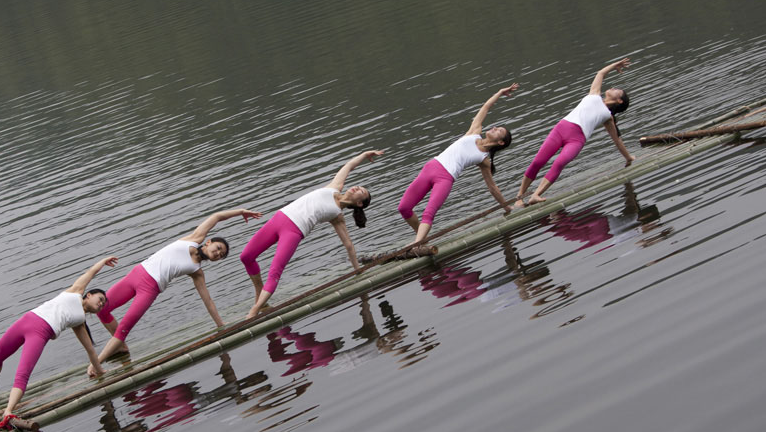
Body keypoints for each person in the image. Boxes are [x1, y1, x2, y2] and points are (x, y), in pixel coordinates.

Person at [91, 208, 261, 373]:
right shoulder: (194, 238)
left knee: (123, 329)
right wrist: (241, 212)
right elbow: (216, 216)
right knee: (102, 309)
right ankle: (120, 349)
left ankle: (96, 364)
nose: (217, 253)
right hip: (136, 274)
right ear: (208, 242)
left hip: (150, 289)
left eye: (221, 255)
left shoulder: (197, 272)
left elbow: (207, 301)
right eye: (217, 248)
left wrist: (221, 326)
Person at [240, 150, 383, 318]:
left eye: (362, 191)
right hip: (279, 218)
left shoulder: (337, 216)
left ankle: (254, 311)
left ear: (359, 203)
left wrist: (357, 271)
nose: (358, 187)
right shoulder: (334, 188)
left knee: (275, 271)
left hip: (294, 231)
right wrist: (365, 154)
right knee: (246, 256)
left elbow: (348, 245)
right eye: (360, 186)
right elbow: (349, 166)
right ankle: (260, 297)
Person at [0, 255, 118, 419]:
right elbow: (91, 272)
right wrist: (103, 261)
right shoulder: (75, 292)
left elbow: (90, 351)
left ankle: (8, 410)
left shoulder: (79, 322)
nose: (101, 304)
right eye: (100, 299)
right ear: (89, 294)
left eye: (103, 305)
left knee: (23, 374)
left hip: (39, 333)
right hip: (26, 320)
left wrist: (99, 370)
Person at [398, 83, 518, 244]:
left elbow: (492, 187)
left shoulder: (484, 160)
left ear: (501, 142)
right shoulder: (474, 132)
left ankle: (416, 243)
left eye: (499, 131)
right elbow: (486, 107)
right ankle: (421, 240)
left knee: (429, 213)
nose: (495, 127)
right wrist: (499, 92)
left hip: (445, 178)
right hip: (431, 167)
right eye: (497, 127)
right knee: (404, 207)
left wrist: (507, 208)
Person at [513, 58, 634, 208]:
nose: (614, 88)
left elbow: (617, 140)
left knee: (559, 163)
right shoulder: (594, 94)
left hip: (577, 139)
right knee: (538, 161)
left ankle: (536, 195)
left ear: (620, 101)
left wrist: (628, 157)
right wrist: (614, 65)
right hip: (561, 129)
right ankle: (519, 197)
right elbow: (601, 73)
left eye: (618, 90)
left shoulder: (608, 118)